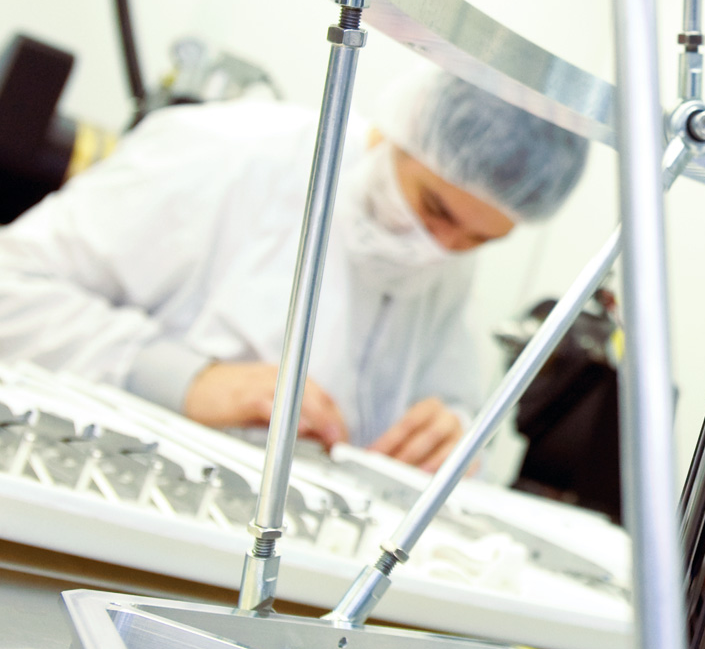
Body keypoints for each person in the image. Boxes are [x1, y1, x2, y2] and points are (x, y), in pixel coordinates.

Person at [0, 70, 588, 472]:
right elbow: (13, 286)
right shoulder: (227, 153)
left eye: (478, 240)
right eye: (433, 209)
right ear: (392, 132)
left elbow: (446, 397)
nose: (440, 248)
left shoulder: (445, 263)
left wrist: (450, 431)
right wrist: (190, 379)